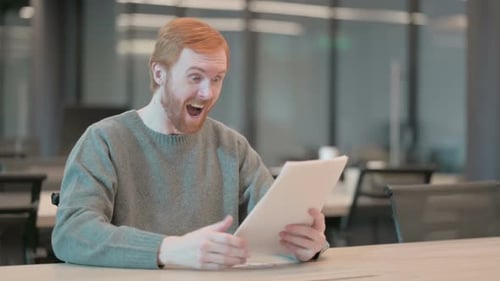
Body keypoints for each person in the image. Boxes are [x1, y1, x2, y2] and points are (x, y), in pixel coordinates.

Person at [51, 17, 328, 270]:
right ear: (159, 74)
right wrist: (168, 249)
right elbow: (72, 233)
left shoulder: (232, 146)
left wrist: (307, 244)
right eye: (195, 77)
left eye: (217, 79)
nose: (207, 93)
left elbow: (274, 224)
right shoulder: (104, 141)